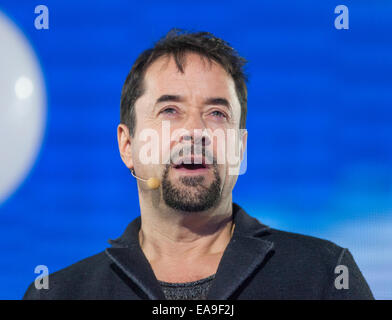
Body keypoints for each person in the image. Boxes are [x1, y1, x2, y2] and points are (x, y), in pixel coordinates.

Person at [23, 29, 374, 300]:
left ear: (239, 147)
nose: (195, 131)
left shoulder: (324, 276)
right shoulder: (57, 293)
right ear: (127, 145)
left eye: (217, 113)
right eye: (170, 111)